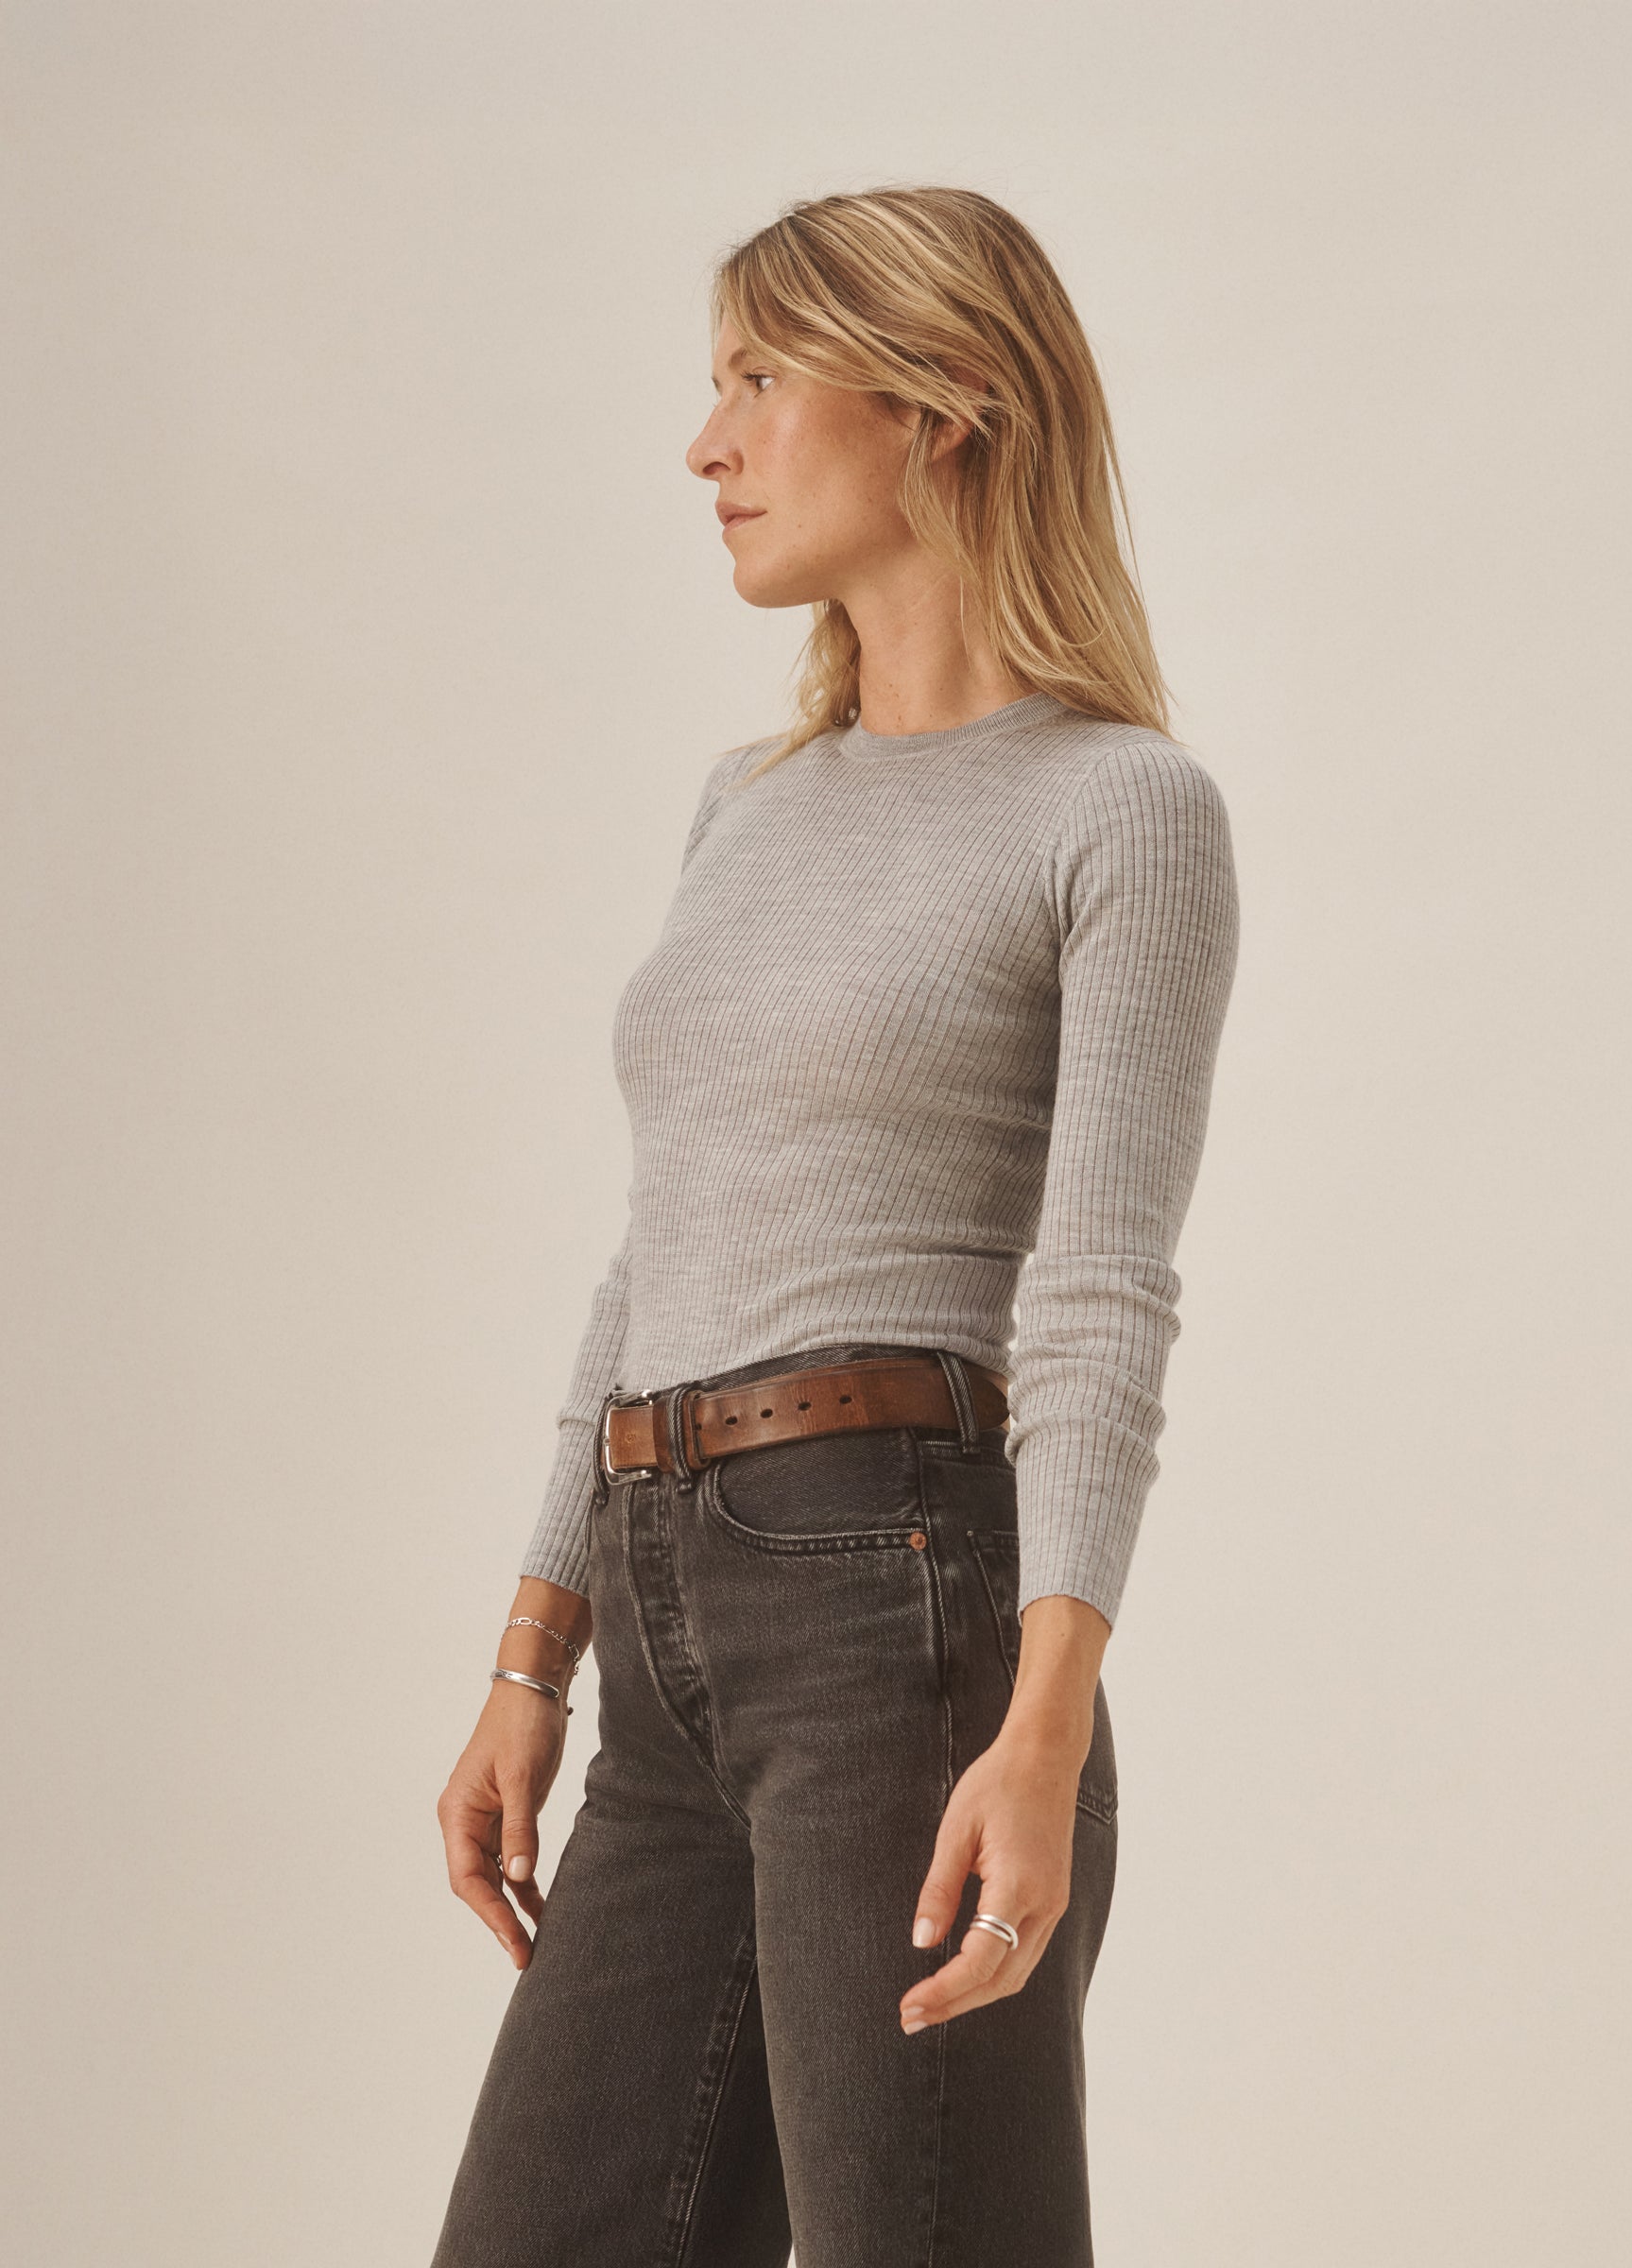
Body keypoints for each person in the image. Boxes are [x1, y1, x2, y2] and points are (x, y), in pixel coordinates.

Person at [430, 183, 1240, 2267]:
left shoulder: (1117, 806)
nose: (705, 443)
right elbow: (658, 1244)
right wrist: (538, 1644)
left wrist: (1039, 1729)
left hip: (903, 1610)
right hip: (663, 1616)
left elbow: (1100, 1291)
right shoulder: (751, 803)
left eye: (759, 379)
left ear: (940, 402)